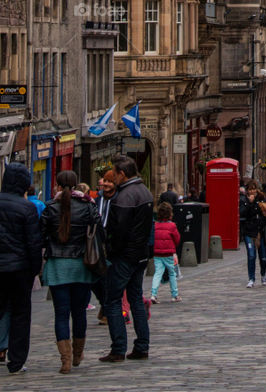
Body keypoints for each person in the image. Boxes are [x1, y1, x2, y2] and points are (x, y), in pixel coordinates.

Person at [41, 170, 104, 372]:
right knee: (79, 313)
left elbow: (41, 235)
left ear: (58, 186)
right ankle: (77, 354)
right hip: (81, 265)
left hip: (57, 265)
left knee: (61, 314)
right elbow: (98, 230)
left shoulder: (50, 207)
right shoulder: (88, 206)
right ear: (76, 185)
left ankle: (65, 360)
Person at [99, 155, 154, 363]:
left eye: (115, 173)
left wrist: (112, 250)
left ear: (122, 174)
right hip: (140, 254)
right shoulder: (145, 191)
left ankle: (118, 348)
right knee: (136, 299)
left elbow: (118, 230)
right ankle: (142, 346)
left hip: (125, 256)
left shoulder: (124, 197)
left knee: (112, 301)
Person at [0, 162, 43, 373]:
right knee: (20, 314)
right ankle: (16, 361)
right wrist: (34, 270)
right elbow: (34, 243)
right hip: (19, 269)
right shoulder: (26, 207)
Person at [239, 180, 266, 287]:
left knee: (263, 256)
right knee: (251, 255)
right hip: (249, 231)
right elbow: (242, 213)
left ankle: (263, 274)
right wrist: (249, 203)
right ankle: (251, 278)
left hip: (260, 230)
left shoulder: (262, 198)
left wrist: (264, 209)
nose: (252, 192)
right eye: (250, 189)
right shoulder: (244, 200)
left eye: (253, 189)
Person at [150, 202, 181, 303]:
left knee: (158, 273)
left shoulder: (155, 225)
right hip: (168, 253)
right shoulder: (172, 226)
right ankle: (174, 295)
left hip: (157, 253)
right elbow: (177, 239)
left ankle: (153, 294)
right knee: (172, 273)